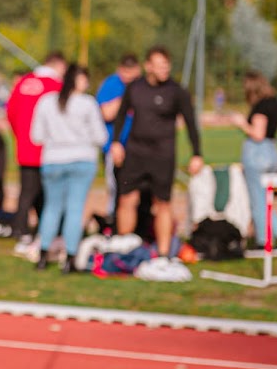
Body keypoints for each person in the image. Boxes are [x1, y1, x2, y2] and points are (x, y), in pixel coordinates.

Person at [109, 45, 204, 258]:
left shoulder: (176, 91)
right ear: (148, 66)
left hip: (163, 155)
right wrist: (116, 143)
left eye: (167, 65)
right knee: (127, 199)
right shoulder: (135, 87)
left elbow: (190, 124)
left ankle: (163, 254)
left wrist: (197, 154)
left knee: (162, 203)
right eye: (159, 65)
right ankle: (125, 249)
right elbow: (121, 116)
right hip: (135, 153)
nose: (164, 69)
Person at [30, 64, 107, 273]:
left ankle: (43, 256)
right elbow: (101, 136)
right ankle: (70, 258)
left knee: (51, 208)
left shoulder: (46, 102)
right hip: (82, 159)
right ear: (78, 80)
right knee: (75, 209)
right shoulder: (87, 103)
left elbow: (36, 135)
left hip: (53, 159)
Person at [5, 52, 67, 241]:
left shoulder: (24, 82)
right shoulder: (56, 86)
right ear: (58, 65)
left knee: (28, 190)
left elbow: (11, 111)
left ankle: (26, 227)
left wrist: (20, 136)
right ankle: (24, 228)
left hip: (25, 145)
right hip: (47, 148)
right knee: (46, 191)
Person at [233, 70, 277, 255]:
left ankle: (267, 240)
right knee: (265, 198)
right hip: (272, 152)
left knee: (258, 200)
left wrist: (241, 123)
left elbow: (258, 134)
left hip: (257, 153)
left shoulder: (260, 106)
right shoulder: (275, 103)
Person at [95, 54, 142, 208]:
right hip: (115, 146)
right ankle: (113, 221)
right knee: (115, 188)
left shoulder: (144, 85)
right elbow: (106, 114)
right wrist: (127, 96)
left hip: (141, 146)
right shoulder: (112, 84)